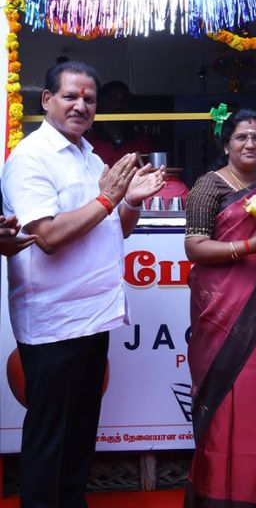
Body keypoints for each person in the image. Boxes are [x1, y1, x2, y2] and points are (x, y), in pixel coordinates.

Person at [1, 60, 163, 508]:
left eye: (89, 99)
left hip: (94, 316)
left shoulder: (90, 157)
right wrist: (109, 195)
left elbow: (117, 229)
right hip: (54, 321)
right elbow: (48, 236)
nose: (81, 105)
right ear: (47, 99)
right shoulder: (30, 159)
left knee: (79, 434)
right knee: (50, 437)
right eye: (71, 96)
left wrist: (129, 201)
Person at [182, 109, 256, 508]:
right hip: (222, 311)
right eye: (241, 137)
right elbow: (194, 247)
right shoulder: (208, 186)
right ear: (226, 143)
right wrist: (252, 246)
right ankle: (216, 492)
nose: (250, 144)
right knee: (227, 397)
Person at [86, 81, 155, 166]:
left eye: (124, 100)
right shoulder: (87, 142)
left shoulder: (142, 142)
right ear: (100, 105)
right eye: (112, 99)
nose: (119, 105)